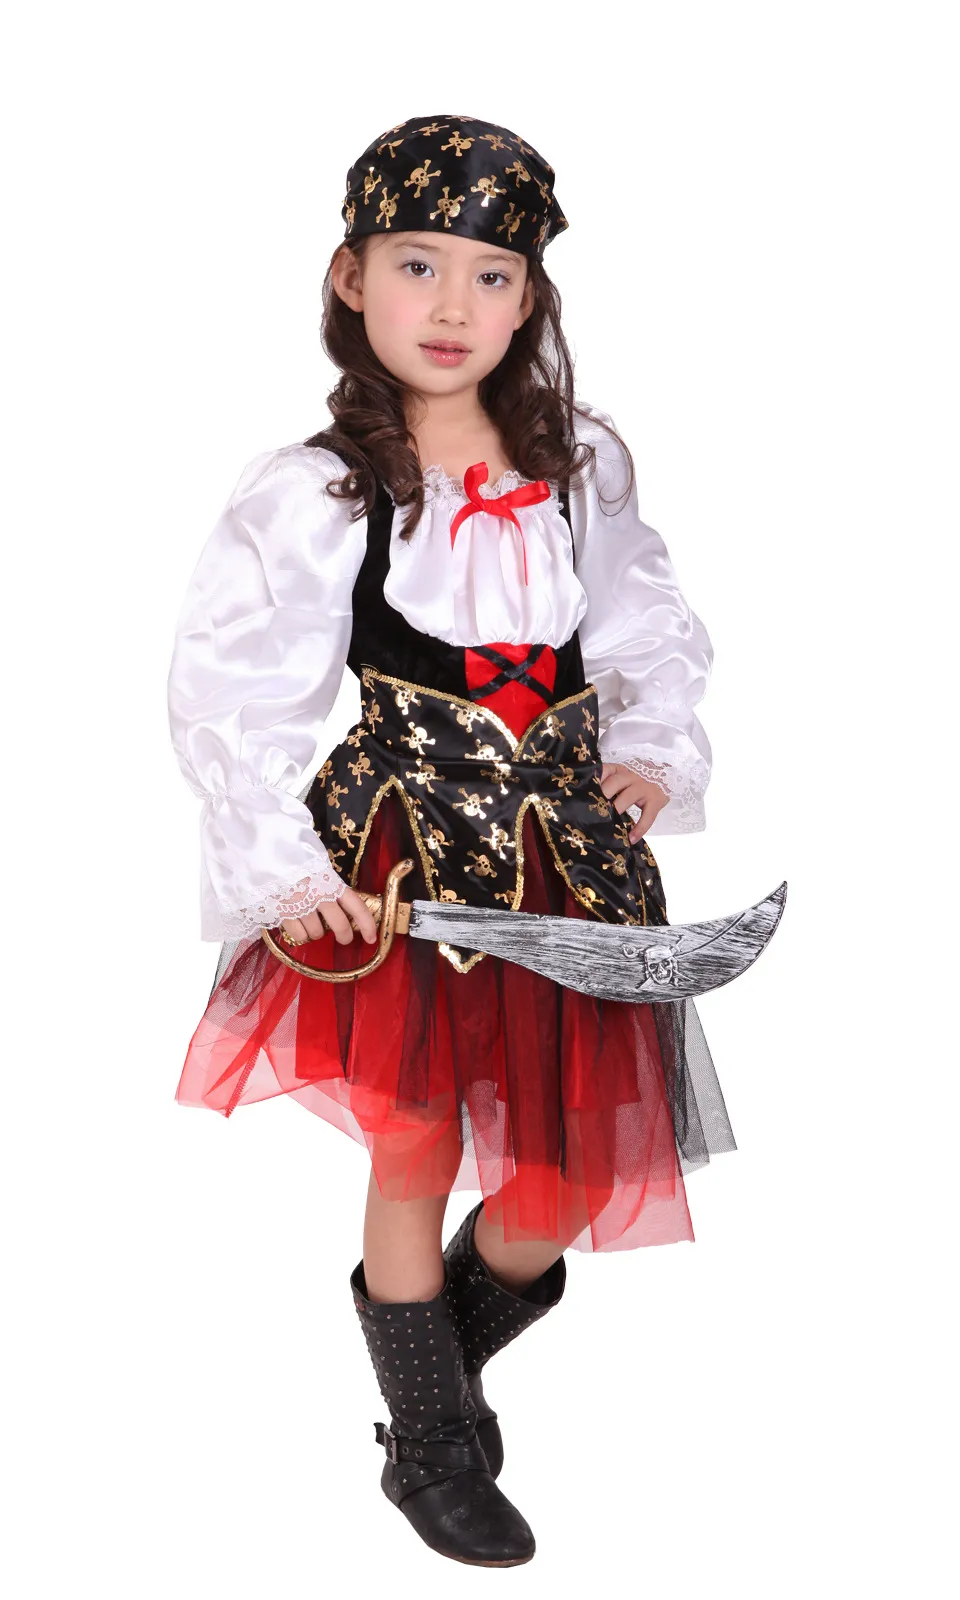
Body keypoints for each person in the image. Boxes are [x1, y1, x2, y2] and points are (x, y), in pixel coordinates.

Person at [166, 112, 735, 1567]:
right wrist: (286, 872)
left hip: (569, 871)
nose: (451, 305)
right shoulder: (323, 490)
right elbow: (234, 691)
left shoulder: (580, 465)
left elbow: (647, 620)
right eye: (417, 265)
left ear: (529, 298)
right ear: (351, 277)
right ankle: (432, 1449)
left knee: (563, 1183)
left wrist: (653, 753)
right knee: (415, 1140)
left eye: (492, 276)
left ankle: (433, 1382)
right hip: (403, 866)